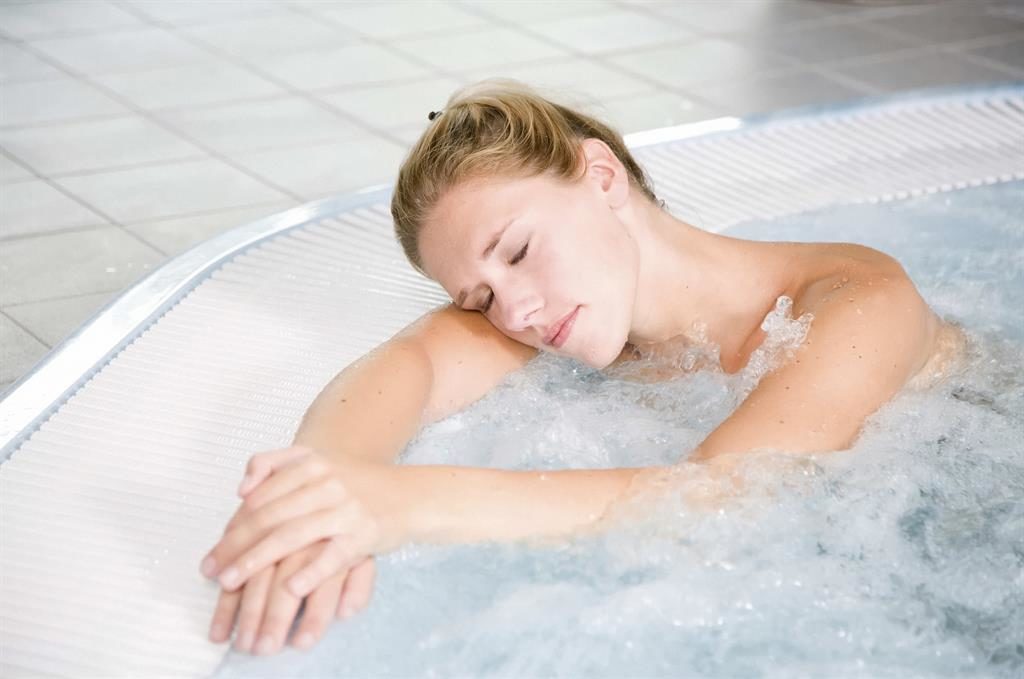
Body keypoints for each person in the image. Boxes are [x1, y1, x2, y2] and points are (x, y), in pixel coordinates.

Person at [198, 79, 966, 656]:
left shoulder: (860, 302)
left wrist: (399, 502)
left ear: (601, 177)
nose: (517, 311)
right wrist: (325, 492)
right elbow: (412, 365)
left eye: (521, 251)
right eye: (481, 296)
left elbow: (727, 494)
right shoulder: (573, 318)